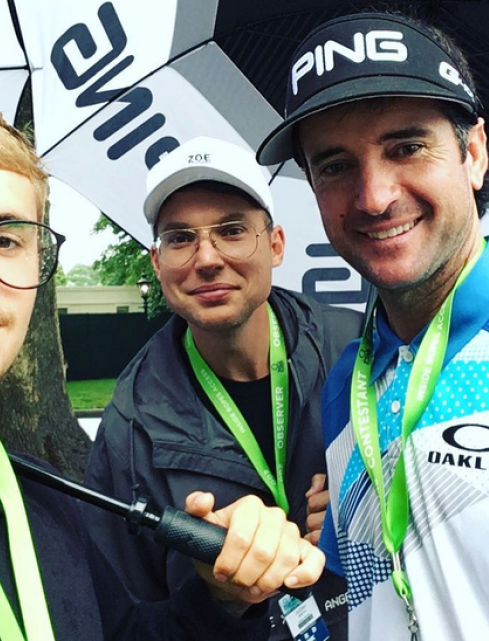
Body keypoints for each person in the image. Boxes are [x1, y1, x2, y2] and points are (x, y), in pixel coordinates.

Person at [0, 96, 325, 641]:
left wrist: (222, 598)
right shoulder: (126, 429)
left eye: (7, 238)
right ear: (157, 262)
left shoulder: (51, 507)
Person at [256, 10, 489, 641]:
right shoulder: (349, 378)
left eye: (406, 147)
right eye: (335, 165)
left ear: (473, 152)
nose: (373, 197)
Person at [84, 136, 363, 640]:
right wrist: (217, 598)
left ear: (275, 244)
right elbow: (123, 624)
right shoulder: (129, 427)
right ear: (157, 262)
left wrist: (372, 502)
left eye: (232, 230)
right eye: (180, 238)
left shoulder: (359, 346)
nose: (206, 258)